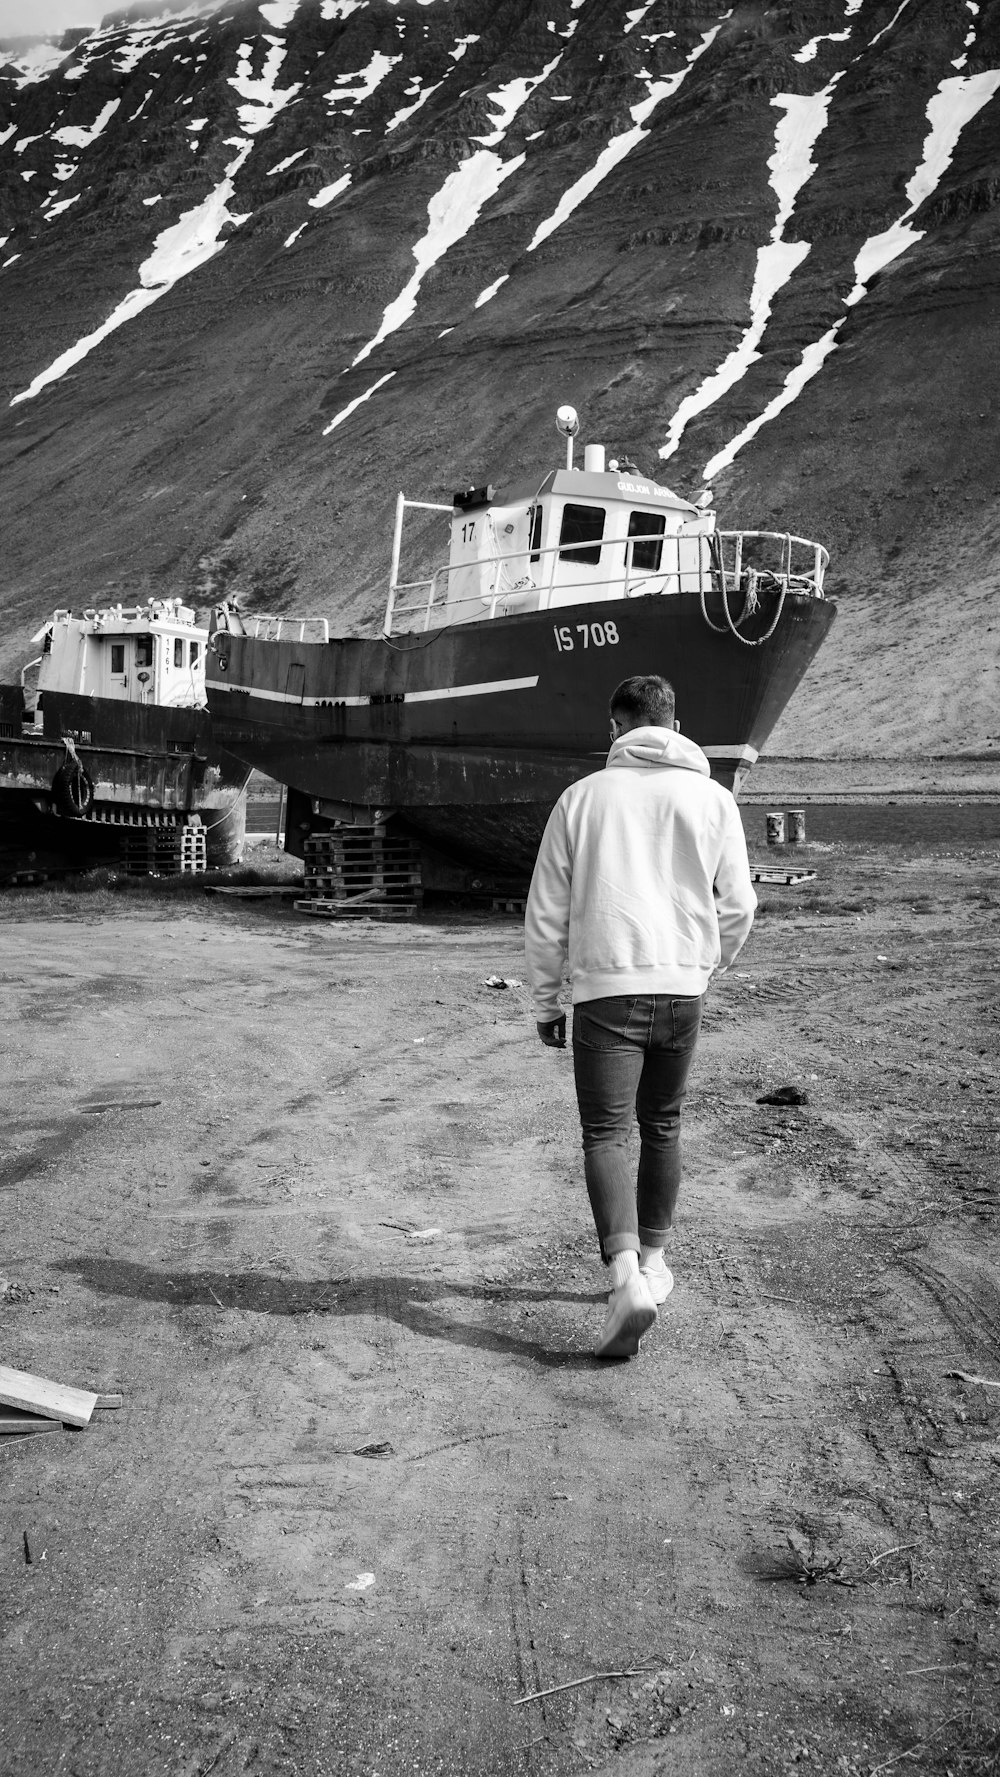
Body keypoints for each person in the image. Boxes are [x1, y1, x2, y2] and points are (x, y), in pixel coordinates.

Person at [524, 674, 757, 1360]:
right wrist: (706, 966)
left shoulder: (582, 799)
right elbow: (739, 905)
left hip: (605, 991)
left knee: (605, 1132)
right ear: (675, 720)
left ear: (614, 726)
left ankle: (624, 1277)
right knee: (663, 1124)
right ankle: (653, 1264)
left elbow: (546, 913)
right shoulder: (713, 798)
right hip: (683, 988)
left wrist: (545, 998)